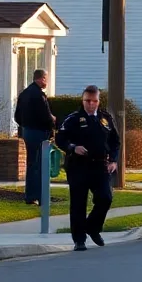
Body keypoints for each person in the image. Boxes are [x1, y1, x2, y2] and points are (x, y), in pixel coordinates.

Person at [54, 85, 120, 251]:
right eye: (87, 101)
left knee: (105, 198)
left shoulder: (106, 119)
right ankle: (79, 240)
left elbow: (115, 142)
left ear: (99, 101)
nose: (91, 104)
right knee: (78, 203)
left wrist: (113, 160)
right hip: (79, 166)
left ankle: (92, 227)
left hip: (100, 165)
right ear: (82, 101)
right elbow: (60, 138)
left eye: (94, 101)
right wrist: (72, 147)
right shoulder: (73, 119)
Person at [14, 69, 55, 205]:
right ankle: (41, 196)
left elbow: (17, 116)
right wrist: (52, 123)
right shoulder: (39, 95)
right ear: (42, 78)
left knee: (31, 164)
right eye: (46, 79)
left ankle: (30, 195)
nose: (47, 82)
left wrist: (25, 125)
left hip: (27, 131)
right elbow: (45, 116)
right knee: (40, 165)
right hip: (39, 133)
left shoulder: (24, 94)